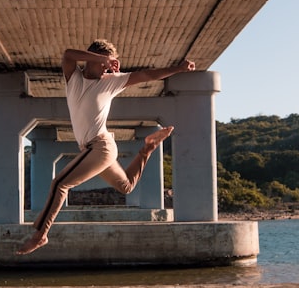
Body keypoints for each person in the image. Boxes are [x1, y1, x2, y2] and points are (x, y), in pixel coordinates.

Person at [16, 39, 196, 254]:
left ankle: (40, 235)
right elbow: (68, 54)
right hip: (94, 150)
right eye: (102, 62)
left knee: (60, 184)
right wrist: (105, 59)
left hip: (101, 147)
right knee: (126, 186)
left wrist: (179, 68)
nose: (105, 67)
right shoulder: (74, 78)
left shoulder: (112, 81)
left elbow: (148, 75)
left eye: (107, 63)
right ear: (91, 59)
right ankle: (147, 149)